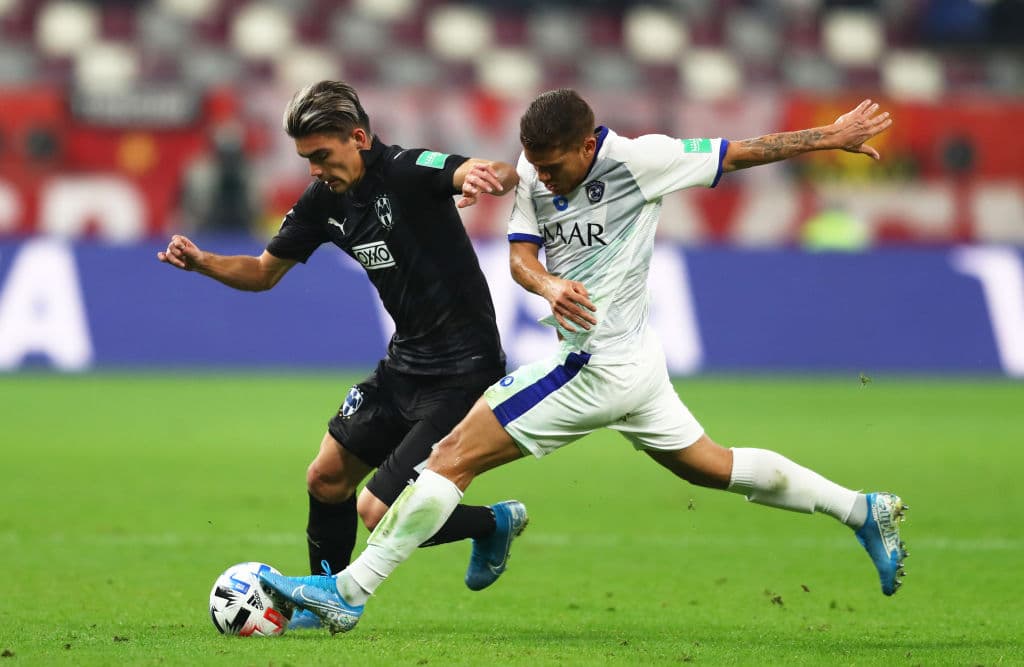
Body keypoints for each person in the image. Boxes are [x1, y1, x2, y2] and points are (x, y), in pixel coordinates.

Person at [259, 91, 908, 634]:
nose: (541, 177)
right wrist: (547, 286)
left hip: (597, 365)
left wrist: (831, 135)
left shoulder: (643, 160)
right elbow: (520, 255)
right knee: (716, 464)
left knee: (452, 456)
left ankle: (348, 592)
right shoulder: (534, 169)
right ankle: (861, 507)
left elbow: (741, 152)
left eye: (553, 166)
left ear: (587, 146)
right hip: (632, 365)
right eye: (533, 164)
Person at [157, 81, 528, 629]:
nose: (313, 169)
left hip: (464, 371)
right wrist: (203, 262)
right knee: (326, 477)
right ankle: (322, 604)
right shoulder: (323, 200)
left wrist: (484, 175)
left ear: (358, 137)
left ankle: (489, 523)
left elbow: (497, 168)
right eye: (305, 159)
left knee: (375, 510)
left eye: (322, 156)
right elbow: (263, 272)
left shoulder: (404, 170)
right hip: (406, 364)